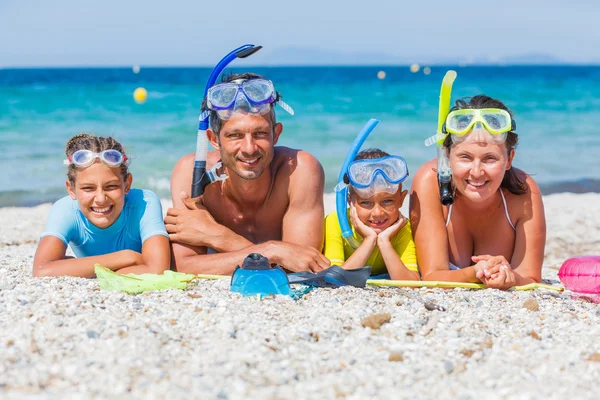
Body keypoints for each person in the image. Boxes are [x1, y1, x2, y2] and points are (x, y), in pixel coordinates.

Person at [166, 73, 329, 275]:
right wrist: (276, 252)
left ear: (275, 134)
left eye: (260, 134)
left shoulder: (299, 169)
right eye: (235, 135)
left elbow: (302, 267)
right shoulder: (191, 173)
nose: (249, 148)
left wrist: (218, 236)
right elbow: (185, 267)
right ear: (214, 139)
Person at [410, 95, 546, 290]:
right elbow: (431, 276)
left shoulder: (524, 192)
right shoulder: (429, 183)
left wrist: (510, 278)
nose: (476, 172)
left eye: (489, 159)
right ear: (447, 156)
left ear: (509, 159)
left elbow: (531, 279)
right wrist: (475, 273)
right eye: (465, 157)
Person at [33, 134, 171, 277]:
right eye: (88, 188)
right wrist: (127, 257)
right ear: (71, 189)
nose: (100, 199)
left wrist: (78, 268)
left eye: (111, 186)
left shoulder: (144, 202)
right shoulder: (65, 210)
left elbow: (157, 269)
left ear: (127, 184)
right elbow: (42, 269)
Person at [323, 149, 419, 280]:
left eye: (387, 201)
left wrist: (384, 241)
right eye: (366, 202)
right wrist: (369, 240)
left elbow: (411, 282)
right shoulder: (336, 222)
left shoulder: (402, 227)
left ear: (401, 200)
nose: (378, 213)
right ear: (350, 201)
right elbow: (334, 279)